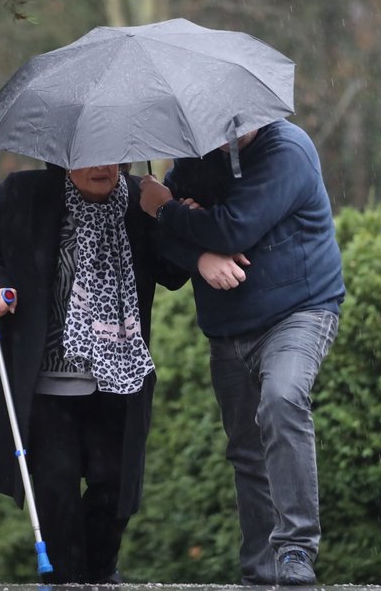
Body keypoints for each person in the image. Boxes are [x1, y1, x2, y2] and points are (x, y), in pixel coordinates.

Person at [0, 162, 186, 583]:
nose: (102, 166)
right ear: (63, 162)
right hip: (46, 385)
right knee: (56, 494)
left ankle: (98, 572)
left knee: (114, 490)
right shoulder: (26, 194)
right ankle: (66, 579)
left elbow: (173, 274)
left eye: (112, 155)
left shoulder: (140, 201)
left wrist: (167, 214)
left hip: (119, 380)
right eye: (88, 156)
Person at [139, 118, 346, 585]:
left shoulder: (287, 151)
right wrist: (197, 254)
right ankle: (261, 573)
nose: (229, 131)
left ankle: (295, 551)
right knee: (247, 453)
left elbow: (234, 227)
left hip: (300, 309)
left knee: (282, 399)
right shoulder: (191, 164)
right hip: (228, 327)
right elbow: (162, 247)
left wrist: (168, 209)